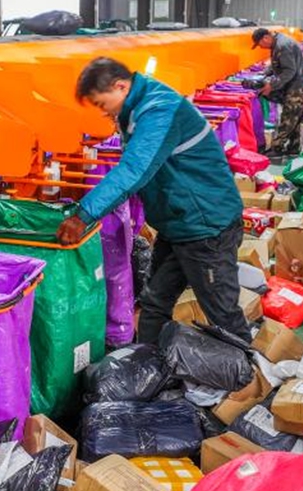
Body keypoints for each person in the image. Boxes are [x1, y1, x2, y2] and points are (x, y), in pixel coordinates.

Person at [55, 57, 251, 345]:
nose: (102, 112)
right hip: (178, 225)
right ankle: (146, 366)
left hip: (206, 227)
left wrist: (83, 215)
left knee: (222, 312)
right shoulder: (137, 108)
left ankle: (248, 380)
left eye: (101, 103)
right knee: (154, 301)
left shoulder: (159, 110)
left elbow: (134, 170)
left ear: (120, 86)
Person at [252, 27, 303, 157]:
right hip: (296, 82)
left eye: (259, 44)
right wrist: (265, 73)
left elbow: (289, 71)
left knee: (289, 115)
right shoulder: (278, 43)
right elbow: (279, 64)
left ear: (266, 38)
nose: (260, 47)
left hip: (297, 84)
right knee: (295, 115)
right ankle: (293, 147)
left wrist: (271, 86)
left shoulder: (283, 46)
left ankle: (276, 148)